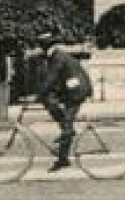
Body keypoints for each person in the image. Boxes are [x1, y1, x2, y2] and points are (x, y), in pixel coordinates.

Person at [36, 38, 92, 172]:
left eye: (42, 47)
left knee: (66, 122)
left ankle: (63, 159)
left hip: (77, 90)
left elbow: (52, 77)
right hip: (70, 88)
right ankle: (65, 137)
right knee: (50, 102)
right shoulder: (55, 56)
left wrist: (40, 93)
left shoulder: (58, 57)